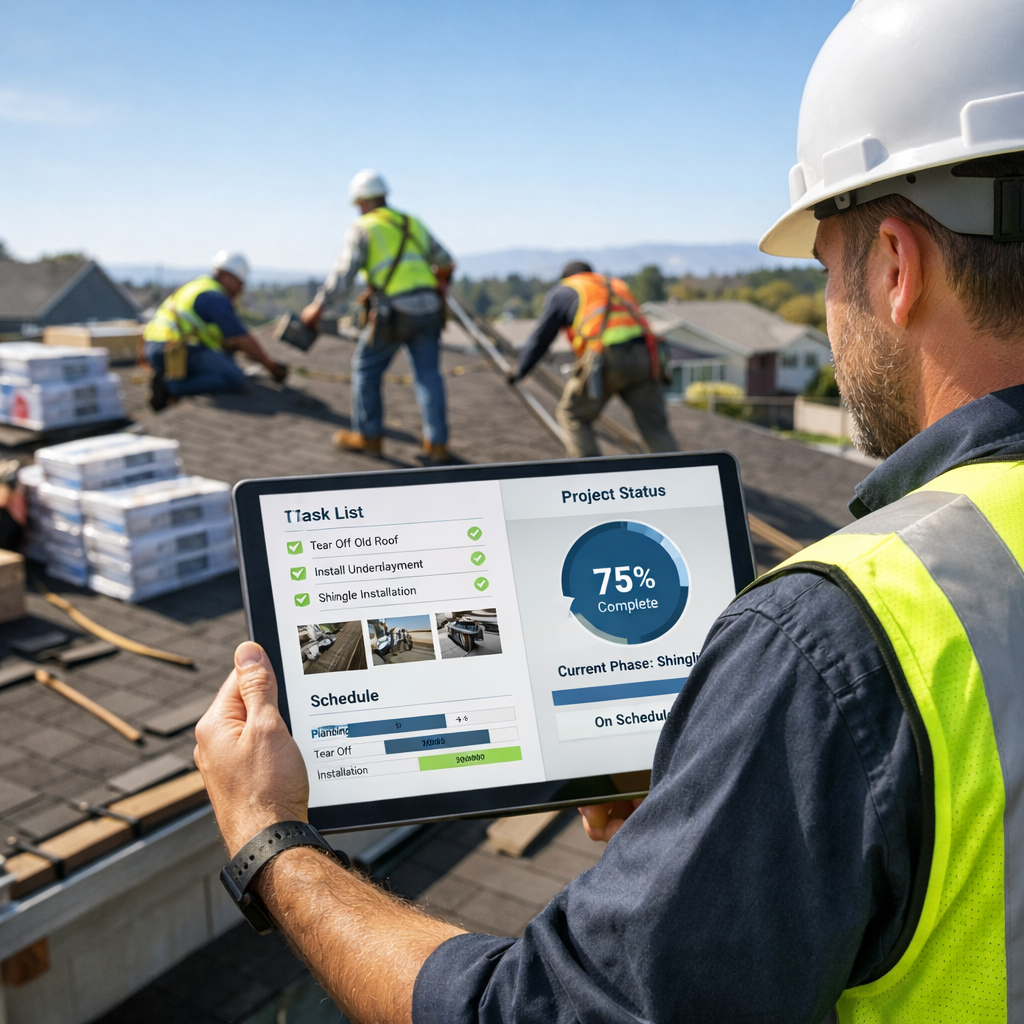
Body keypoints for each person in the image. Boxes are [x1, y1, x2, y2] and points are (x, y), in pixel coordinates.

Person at [195, 0, 1024, 1020]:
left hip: (521, 348)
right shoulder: (442, 236)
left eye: (824, 267)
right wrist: (722, 807)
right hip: (631, 358)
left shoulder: (836, 640)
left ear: (894, 267)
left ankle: (544, 459)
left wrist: (269, 840)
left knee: (495, 402)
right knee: (624, 425)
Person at [300, 170, 456, 464]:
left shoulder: (363, 228)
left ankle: (369, 437)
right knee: (428, 376)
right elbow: (445, 262)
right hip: (430, 309)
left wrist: (318, 307)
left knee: (366, 370)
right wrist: (440, 284)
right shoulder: (412, 223)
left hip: (393, 311)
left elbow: (343, 276)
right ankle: (437, 444)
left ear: (361, 201)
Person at [510, 262, 676, 458]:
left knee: (573, 416)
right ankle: (676, 477)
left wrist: (520, 371)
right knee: (655, 427)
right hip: (647, 356)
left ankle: (592, 479)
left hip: (606, 356)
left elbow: (541, 337)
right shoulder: (615, 285)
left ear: (566, 277)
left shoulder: (565, 290)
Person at [143, 251, 287, 411]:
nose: (242, 289)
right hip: (173, 349)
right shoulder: (215, 298)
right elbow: (243, 339)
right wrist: (272, 368)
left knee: (225, 361)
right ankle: (171, 386)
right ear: (227, 276)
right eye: (240, 283)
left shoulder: (199, 285)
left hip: (155, 345)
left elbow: (210, 334)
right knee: (235, 377)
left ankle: (172, 380)